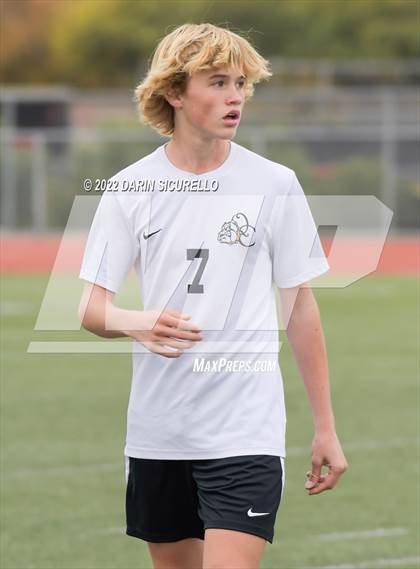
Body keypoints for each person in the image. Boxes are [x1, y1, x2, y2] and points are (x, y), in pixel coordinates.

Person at [78, 22, 348, 569]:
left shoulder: (274, 183)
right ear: (175, 93)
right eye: (219, 82)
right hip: (159, 433)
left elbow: (300, 308)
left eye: (241, 83)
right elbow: (90, 307)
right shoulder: (129, 189)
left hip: (246, 430)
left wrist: (325, 427)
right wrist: (136, 321)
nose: (236, 97)